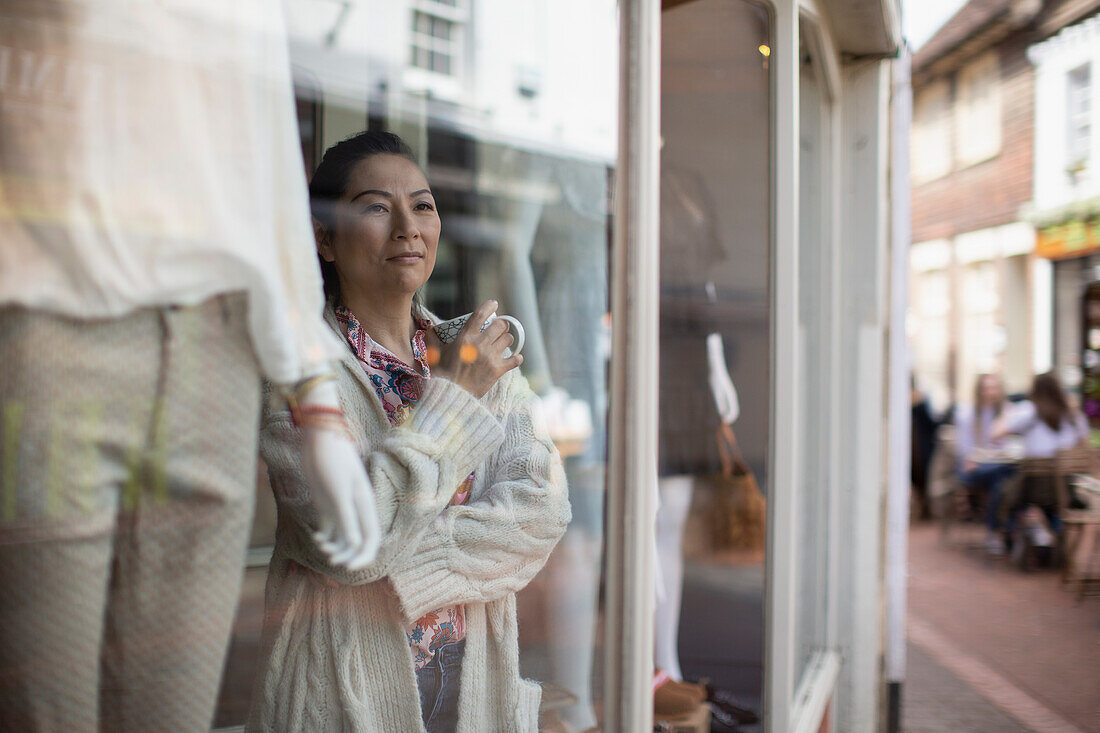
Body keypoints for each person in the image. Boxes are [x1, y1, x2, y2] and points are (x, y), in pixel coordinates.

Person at [0, 4, 377, 731]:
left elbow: (264, 155)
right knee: (43, 712)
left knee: (172, 715)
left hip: (216, 351)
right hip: (53, 324)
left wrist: (315, 395)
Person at [247, 131, 571, 733]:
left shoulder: (474, 352)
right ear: (324, 239)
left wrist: (400, 567)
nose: (408, 227)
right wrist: (454, 398)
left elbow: (542, 511)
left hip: (474, 677)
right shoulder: (299, 376)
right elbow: (352, 541)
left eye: (422, 205)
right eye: (376, 207)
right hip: (344, 691)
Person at [994, 372, 1089, 544]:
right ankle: (1051, 532)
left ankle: (1008, 537)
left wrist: (1006, 411)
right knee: (1054, 498)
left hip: (1032, 489)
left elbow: (995, 433)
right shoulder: (1074, 416)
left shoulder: (1028, 410)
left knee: (1004, 489)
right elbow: (1085, 447)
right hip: (1068, 489)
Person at [955, 374, 1015, 554]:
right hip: (974, 469)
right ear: (979, 391)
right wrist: (974, 458)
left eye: (994, 387)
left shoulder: (1006, 412)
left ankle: (996, 531)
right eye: (987, 388)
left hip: (998, 467)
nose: (991, 392)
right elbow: (965, 450)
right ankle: (1000, 531)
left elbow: (1009, 445)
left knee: (1002, 481)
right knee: (1006, 475)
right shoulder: (968, 414)